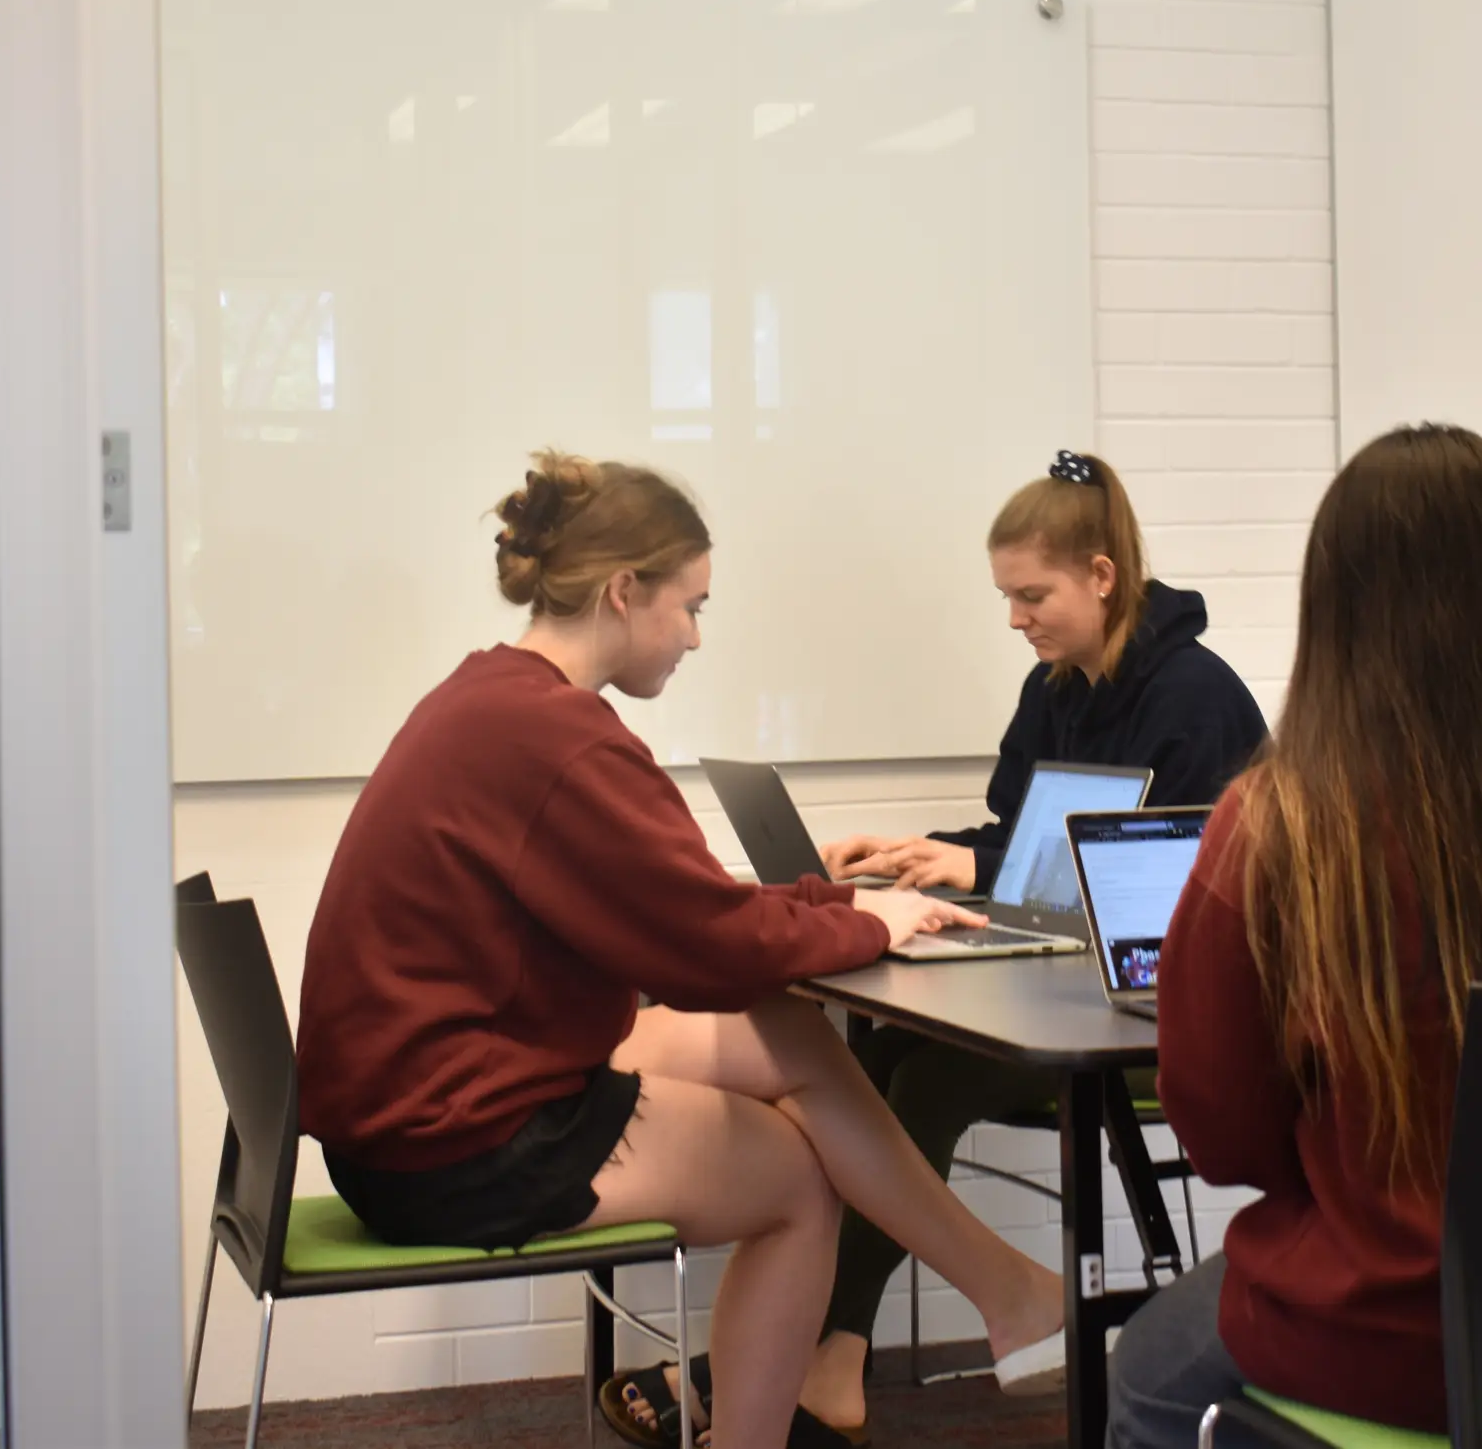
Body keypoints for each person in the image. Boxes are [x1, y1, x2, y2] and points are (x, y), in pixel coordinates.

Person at [295, 452, 1068, 1449]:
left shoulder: (495, 701)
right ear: (624, 591)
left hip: (419, 1109)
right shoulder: (557, 739)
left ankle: (1006, 1291)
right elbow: (700, 951)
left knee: (785, 1036)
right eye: (691, 607)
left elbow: (669, 908)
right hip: (456, 1142)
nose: (697, 636)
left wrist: (828, 900)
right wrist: (872, 922)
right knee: (797, 1182)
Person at [1105, 425, 1482, 1449]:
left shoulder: (1280, 828)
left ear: (1335, 613)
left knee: (1144, 1375)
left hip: (1383, 1336)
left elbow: (1223, 1139)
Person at [799, 450, 1269, 1435]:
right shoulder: (1053, 687)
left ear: (1102, 576)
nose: (1015, 618)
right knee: (880, 1051)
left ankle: (829, 1351)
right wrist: (930, 854)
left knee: (922, 1083)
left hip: (1160, 1017)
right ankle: (829, 1350)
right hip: (1067, 987)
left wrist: (984, 870)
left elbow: (1159, 885)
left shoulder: (1196, 699)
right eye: (1006, 596)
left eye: (1031, 594)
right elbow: (1026, 843)